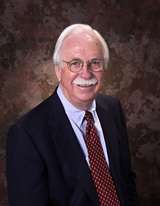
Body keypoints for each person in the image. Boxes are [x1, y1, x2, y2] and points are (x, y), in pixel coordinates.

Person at [6, 24, 139, 206]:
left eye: (95, 62)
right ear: (58, 70)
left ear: (104, 68)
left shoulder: (113, 108)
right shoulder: (27, 134)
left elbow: (126, 182)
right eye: (75, 63)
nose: (86, 73)